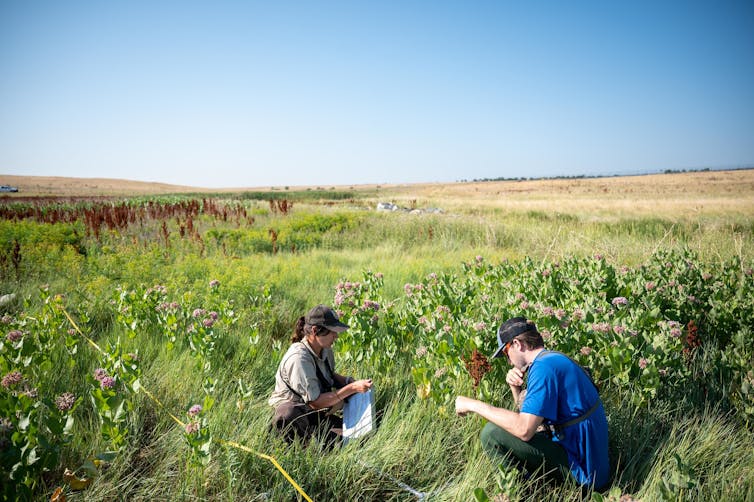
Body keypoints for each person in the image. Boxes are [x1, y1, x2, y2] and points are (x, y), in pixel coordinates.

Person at [455, 317, 610, 490]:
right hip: (591, 464)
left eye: (506, 353)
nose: (509, 361)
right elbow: (533, 420)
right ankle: (535, 489)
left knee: (491, 434)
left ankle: (514, 495)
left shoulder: (543, 369)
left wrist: (474, 405)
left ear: (517, 344)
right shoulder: (553, 359)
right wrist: (516, 389)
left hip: (584, 474)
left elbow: (524, 430)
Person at [269, 304, 373, 445]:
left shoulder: (324, 348)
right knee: (335, 444)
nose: (336, 336)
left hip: (314, 412)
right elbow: (315, 401)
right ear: (315, 331)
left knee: (359, 439)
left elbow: (328, 375)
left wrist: (347, 381)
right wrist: (353, 388)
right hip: (295, 415)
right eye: (332, 332)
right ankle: (294, 445)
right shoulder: (299, 358)